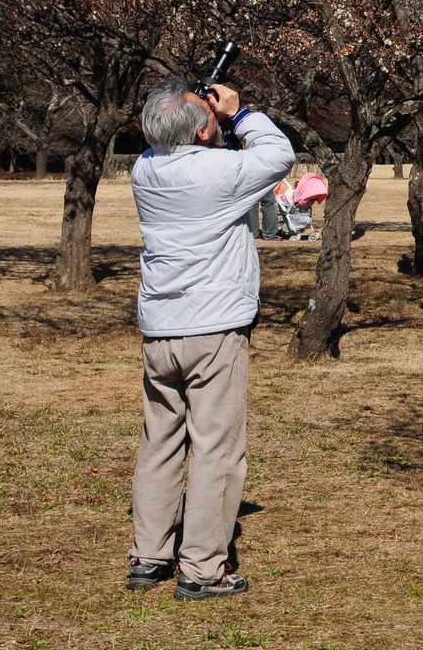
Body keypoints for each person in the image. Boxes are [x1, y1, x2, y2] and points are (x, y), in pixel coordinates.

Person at [125, 77, 294, 601]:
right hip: (213, 327)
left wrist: (200, 111)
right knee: (216, 449)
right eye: (208, 117)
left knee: (160, 443)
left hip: (161, 328)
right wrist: (239, 114)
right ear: (202, 130)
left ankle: (149, 555)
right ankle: (202, 569)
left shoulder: (144, 168)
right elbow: (279, 154)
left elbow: (181, 138)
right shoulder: (219, 172)